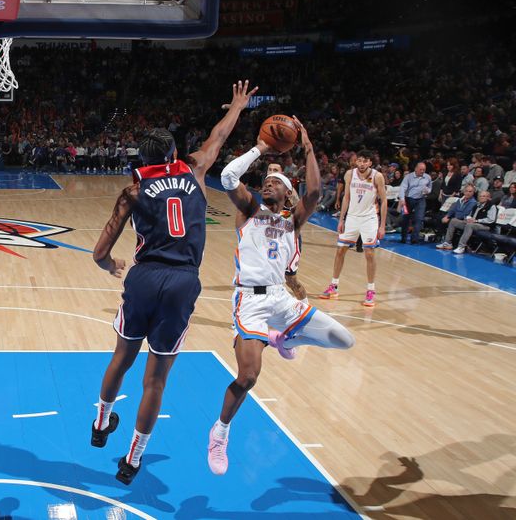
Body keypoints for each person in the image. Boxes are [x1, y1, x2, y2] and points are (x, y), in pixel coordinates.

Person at [90, 80, 256, 485]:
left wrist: (111, 264)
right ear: (176, 154)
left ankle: (100, 422)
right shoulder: (195, 168)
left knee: (120, 358)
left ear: (140, 160)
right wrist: (237, 106)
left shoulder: (133, 191)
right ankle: (132, 459)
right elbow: (218, 137)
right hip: (182, 282)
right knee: (155, 379)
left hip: (144, 278)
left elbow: (99, 252)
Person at [207, 117, 355, 475]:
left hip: (282, 300)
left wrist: (308, 146)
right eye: (266, 182)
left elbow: (316, 194)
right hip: (250, 301)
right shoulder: (248, 212)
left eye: (275, 182)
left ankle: (285, 336)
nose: (267, 184)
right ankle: (220, 432)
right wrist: (260, 148)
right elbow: (228, 178)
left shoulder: (293, 221)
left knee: (343, 339)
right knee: (248, 376)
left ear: (288, 194)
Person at [321, 150, 388, 306]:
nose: (362, 164)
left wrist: (382, 225)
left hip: (369, 219)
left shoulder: (377, 176)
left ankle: (371, 290)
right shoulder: (349, 174)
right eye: (359, 161)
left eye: (365, 161)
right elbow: (347, 197)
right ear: (356, 162)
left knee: (369, 253)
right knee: (340, 250)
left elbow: (384, 200)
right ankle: (334, 286)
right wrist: (341, 219)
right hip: (352, 218)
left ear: (370, 163)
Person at [267, 162, 307, 302]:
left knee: (291, 280)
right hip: (272, 238)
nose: (272, 171)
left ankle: (304, 308)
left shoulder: (289, 193)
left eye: (275, 170)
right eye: (270, 169)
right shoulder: (267, 190)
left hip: (289, 239)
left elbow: (299, 217)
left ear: (282, 173)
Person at [436, 185, 480, 249]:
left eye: (470, 191)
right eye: (466, 191)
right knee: (439, 218)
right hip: (456, 218)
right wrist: (447, 216)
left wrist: (454, 217)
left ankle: (448, 242)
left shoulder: (473, 202)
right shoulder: (460, 200)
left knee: (452, 220)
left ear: (473, 193)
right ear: (464, 192)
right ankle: (442, 238)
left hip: (464, 220)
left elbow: (465, 213)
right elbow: (453, 209)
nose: (468, 193)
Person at [398, 162, 432, 244]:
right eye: (421, 169)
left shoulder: (428, 177)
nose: (422, 171)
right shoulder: (408, 177)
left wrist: (428, 191)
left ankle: (414, 239)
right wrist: (402, 199)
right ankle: (403, 237)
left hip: (421, 199)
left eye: (424, 170)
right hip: (408, 199)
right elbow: (402, 188)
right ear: (416, 169)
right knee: (405, 219)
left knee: (419, 219)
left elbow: (430, 188)